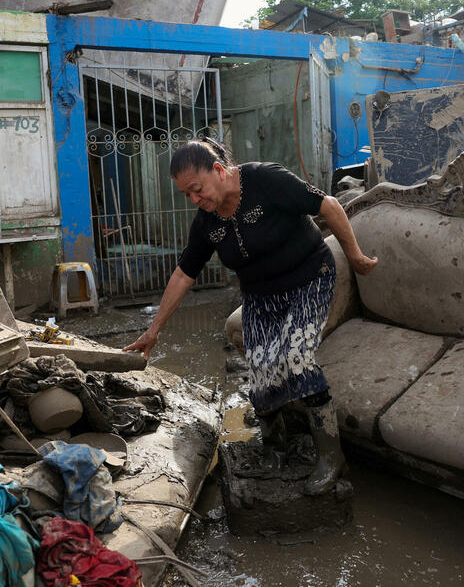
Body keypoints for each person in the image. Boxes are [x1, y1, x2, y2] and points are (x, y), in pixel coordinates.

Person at [124, 139, 377, 494]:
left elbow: (330, 205)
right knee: (259, 371)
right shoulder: (207, 222)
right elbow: (184, 273)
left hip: (309, 280)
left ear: (217, 170)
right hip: (260, 296)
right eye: (187, 196)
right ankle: (275, 446)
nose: (195, 200)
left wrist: (356, 257)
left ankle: (331, 455)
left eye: (196, 190)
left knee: (296, 360)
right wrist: (154, 330)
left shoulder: (264, 179)